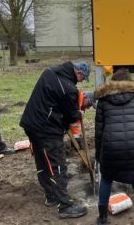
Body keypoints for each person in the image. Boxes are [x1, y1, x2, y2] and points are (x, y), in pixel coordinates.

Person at [19, 61, 91, 219]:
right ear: (78, 73)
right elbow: (71, 115)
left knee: (42, 161)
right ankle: (65, 205)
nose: (79, 81)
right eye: (82, 78)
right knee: (58, 166)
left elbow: (54, 104)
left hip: (31, 123)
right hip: (46, 129)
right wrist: (79, 114)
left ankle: (51, 196)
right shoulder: (69, 88)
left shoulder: (49, 72)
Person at [94, 68, 134, 225]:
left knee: (106, 179)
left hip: (110, 147)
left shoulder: (103, 100)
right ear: (129, 81)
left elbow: (99, 130)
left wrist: (99, 153)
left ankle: (103, 219)